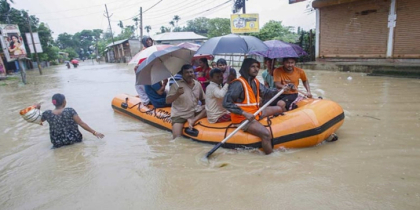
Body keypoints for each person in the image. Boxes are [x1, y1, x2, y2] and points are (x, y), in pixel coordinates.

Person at [223, 58, 284, 154]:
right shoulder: (237, 84)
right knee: (266, 134)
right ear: (246, 68)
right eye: (253, 67)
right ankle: (270, 156)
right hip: (243, 118)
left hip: (256, 112)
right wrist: (244, 113)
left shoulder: (255, 82)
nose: (256, 69)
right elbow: (226, 103)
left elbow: (267, 93)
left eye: (257, 67)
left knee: (279, 109)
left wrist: (282, 89)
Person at [35, 93, 104, 148]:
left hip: (57, 144)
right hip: (74, 140)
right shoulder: (70, 111)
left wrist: (37, 109)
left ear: (54, 103)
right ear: (64, 102)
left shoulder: (47, 113)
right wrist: (94, 132)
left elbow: (38, 120)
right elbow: (81, 123)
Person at [166, 64, 206, 139]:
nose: (189, 74)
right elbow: (168, 101)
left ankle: (192, 120)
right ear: (182, 74)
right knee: (177, 138)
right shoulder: (175, 85)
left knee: (208, 107)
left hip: (195, 111)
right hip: (180, 114)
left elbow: (203, 100)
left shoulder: (197, 84)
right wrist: (177, 94)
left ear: (194, 73)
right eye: (187, 72)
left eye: (191, 72)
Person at [135, 36, 155, 106]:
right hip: (147, 70)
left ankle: (146, 100)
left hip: (151, 70)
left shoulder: (151, 51)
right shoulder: (144, 52)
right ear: (144, 42)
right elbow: (140, 62)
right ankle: (147, 100)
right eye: (147, 41)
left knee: (140, 85)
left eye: (150, 40)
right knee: (140, 85)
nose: (149, 42)